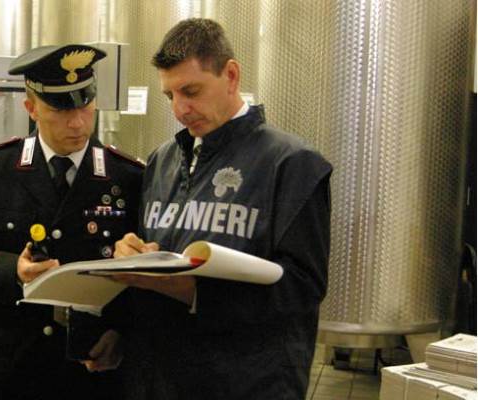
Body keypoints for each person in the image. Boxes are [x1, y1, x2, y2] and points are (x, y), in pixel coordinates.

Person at [112, 18, 332, 399]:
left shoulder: (292, 164)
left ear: (231, 75)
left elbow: (302, 288)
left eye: (191, 91)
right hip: (160, 380)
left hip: (247, 383)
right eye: (169, 96)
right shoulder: (162, 161)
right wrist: (132, 254)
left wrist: (195, 293)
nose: (180, 109)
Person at [0, 44, 143, 400]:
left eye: (85, 106)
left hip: (92, 371)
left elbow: (144, 275)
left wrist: (121, 332)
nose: (77, 123)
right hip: (12, 367)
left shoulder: (127, 176)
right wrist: (13, 272)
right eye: (60, 110)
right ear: (31, 108)